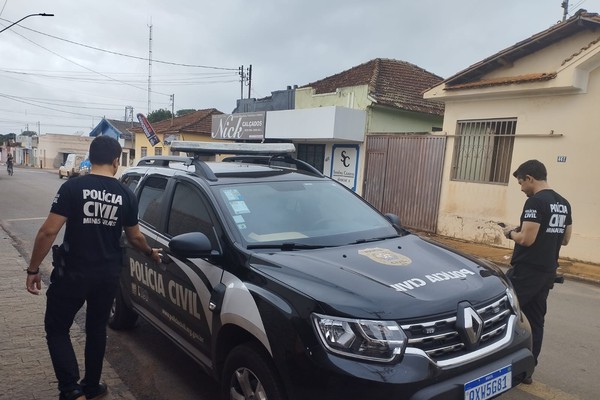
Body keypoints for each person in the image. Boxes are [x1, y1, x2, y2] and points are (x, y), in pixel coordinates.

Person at [26, 135, 161, 400]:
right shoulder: (126, 195)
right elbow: (135, 237)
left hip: (72, 274)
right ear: (115, 160)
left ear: (91, 157)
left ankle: (71, 390)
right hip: (107, 275)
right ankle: (91, 386)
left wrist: (32, 269)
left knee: (57, 328)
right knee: (96, 329)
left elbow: (48, 232)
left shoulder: (73, 187)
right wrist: (150, 252)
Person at [502, 159, 572, 384]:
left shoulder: (535, 202)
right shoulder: (564, 203)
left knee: (503, 315)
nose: (521, 188)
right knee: (535, 320)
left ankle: (499, 365)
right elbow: (566, 239)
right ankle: (528, 370)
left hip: (527, 272)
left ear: (530, 178)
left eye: (521, 183)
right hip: (547, 271)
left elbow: (527, 239)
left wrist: (510, 233)